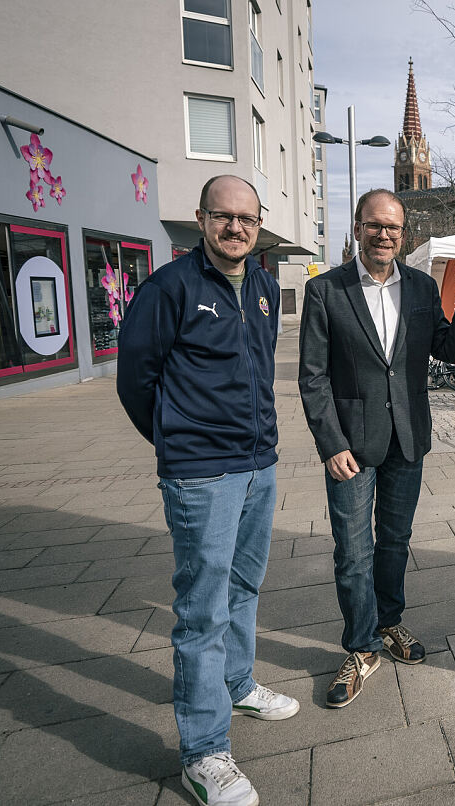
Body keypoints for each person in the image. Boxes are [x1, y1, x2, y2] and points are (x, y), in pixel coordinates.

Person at [118, 175, 298, 806]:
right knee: (201, 611)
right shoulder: (169, 287)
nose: (235, 228)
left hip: (259, 465)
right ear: (201, 219)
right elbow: (135, 380)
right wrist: (180, 441)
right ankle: (203, 752)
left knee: (245, 585)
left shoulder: (266, 287)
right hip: (203, 474)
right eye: (223, 217)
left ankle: (239, 683)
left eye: (246, 218)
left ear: (258, 223)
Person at [298, 189, 455, 708]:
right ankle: (361, 646)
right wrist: (329, 443)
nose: (384, 235)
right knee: (353, 552)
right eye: (375, 225)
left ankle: (390, 621)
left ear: (403, 232)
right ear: (357, 227)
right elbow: (312, 377)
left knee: (395, 541)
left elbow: (447, 347)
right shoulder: (327, 290)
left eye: (393, 227)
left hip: (409, 438)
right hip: (351, 444)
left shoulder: (419, 287)